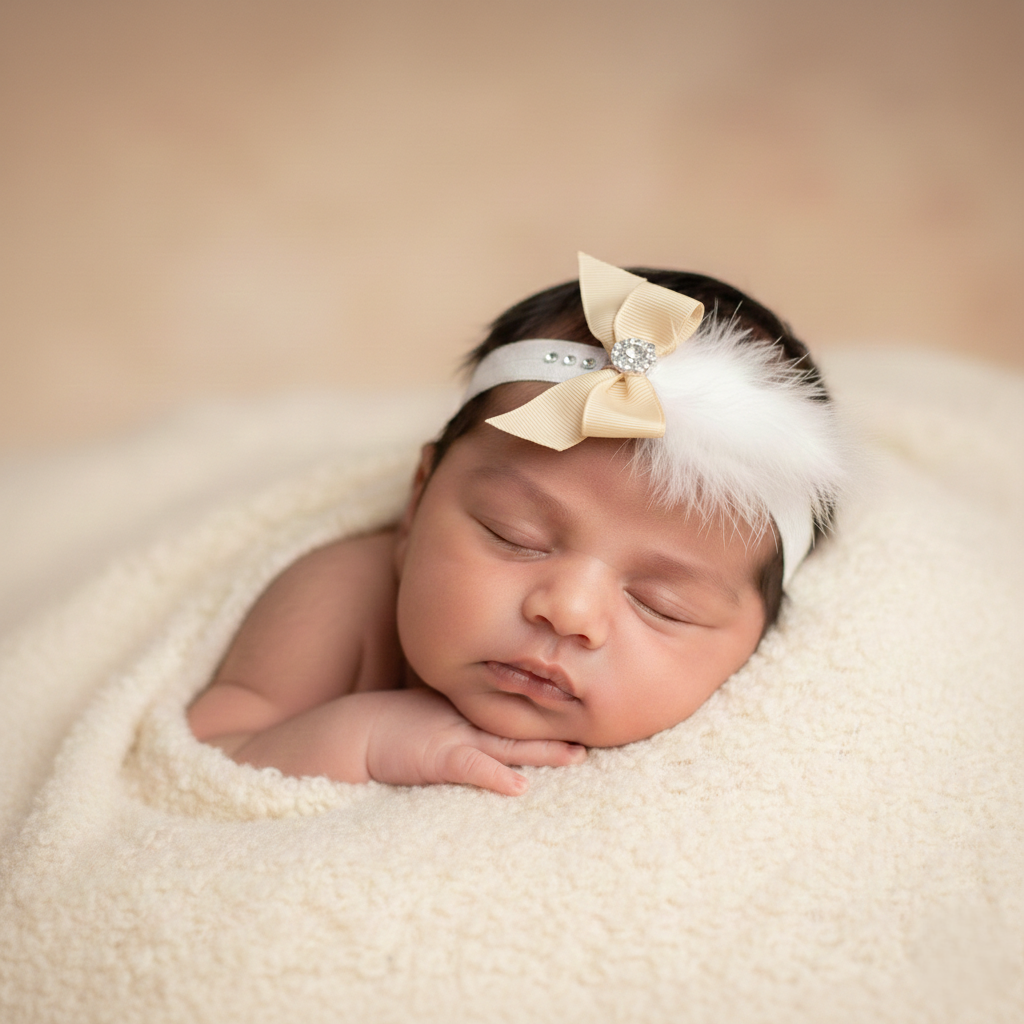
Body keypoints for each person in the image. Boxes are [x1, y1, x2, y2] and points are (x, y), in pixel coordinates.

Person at [187, 254, 845, 796]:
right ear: (417, 504)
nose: (568, 611)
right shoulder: (339, 597)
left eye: (661, 603)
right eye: (513, 535)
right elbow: (201, 763)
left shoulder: (738, 767)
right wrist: (366, 736)